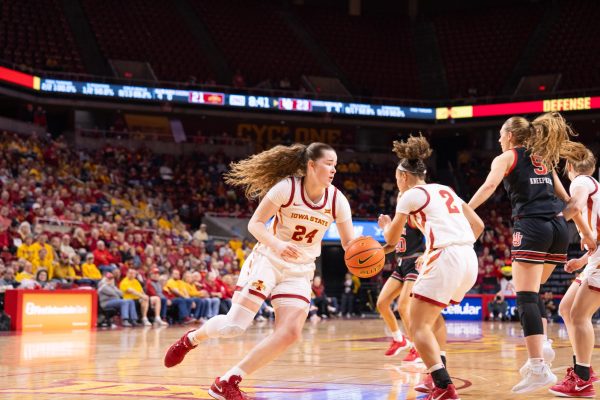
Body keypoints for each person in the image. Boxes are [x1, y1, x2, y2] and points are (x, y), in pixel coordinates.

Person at [164, 142, 355, 400]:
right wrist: (278, 243)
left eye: (335, 165)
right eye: (328, 164)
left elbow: (350, 244)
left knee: (290, 332)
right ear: (311, 165)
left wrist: (382, 246)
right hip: (269, 259)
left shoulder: (337, 200)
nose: (334, 169)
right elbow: (255, 225)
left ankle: (228, 380)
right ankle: (192, 339)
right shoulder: (287, 188)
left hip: (300, 270)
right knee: (234, 326)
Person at [468, 112, 597, 393]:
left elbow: (489, 186)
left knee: (524, 296)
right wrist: (586, 233)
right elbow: (567, 200)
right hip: (559, 230)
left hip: (532, 227)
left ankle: (538, 366)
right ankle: (545, 347)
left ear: (510, 135)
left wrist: (465, 208)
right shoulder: (544, 158)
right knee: (534, 291)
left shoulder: (507, 157)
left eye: (501, 134)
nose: (500, 139)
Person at [378, 135, 484, 400]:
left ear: (403, 176)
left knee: (416, 324)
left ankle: (442, 384)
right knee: (433, 317)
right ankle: (437, 372)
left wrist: (383, 231)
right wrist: (447, 248)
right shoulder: (446, 190)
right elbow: (479, 225)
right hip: (469, 258)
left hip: (446, 257)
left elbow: (391, 241)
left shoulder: (409, 195)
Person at [549, 144, 599, 397]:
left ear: (569, 166)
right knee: (566, 309)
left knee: (579, 316)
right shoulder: (592, 185)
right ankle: (584, 370)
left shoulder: (580, 182)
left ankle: (581, 378)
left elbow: (575, 206)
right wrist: (581, 260)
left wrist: (553, 222)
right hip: (595, 258)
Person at [376, 213, 425, 360]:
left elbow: (430, 233)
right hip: (401, 264)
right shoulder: (399, 221)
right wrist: (377, 251)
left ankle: (418, 349)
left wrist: (427, 254)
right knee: (382, 303)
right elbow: (392, 244)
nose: (400, 198)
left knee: (403, 307)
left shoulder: (413, 217)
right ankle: (399, 340)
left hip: (415, 262)